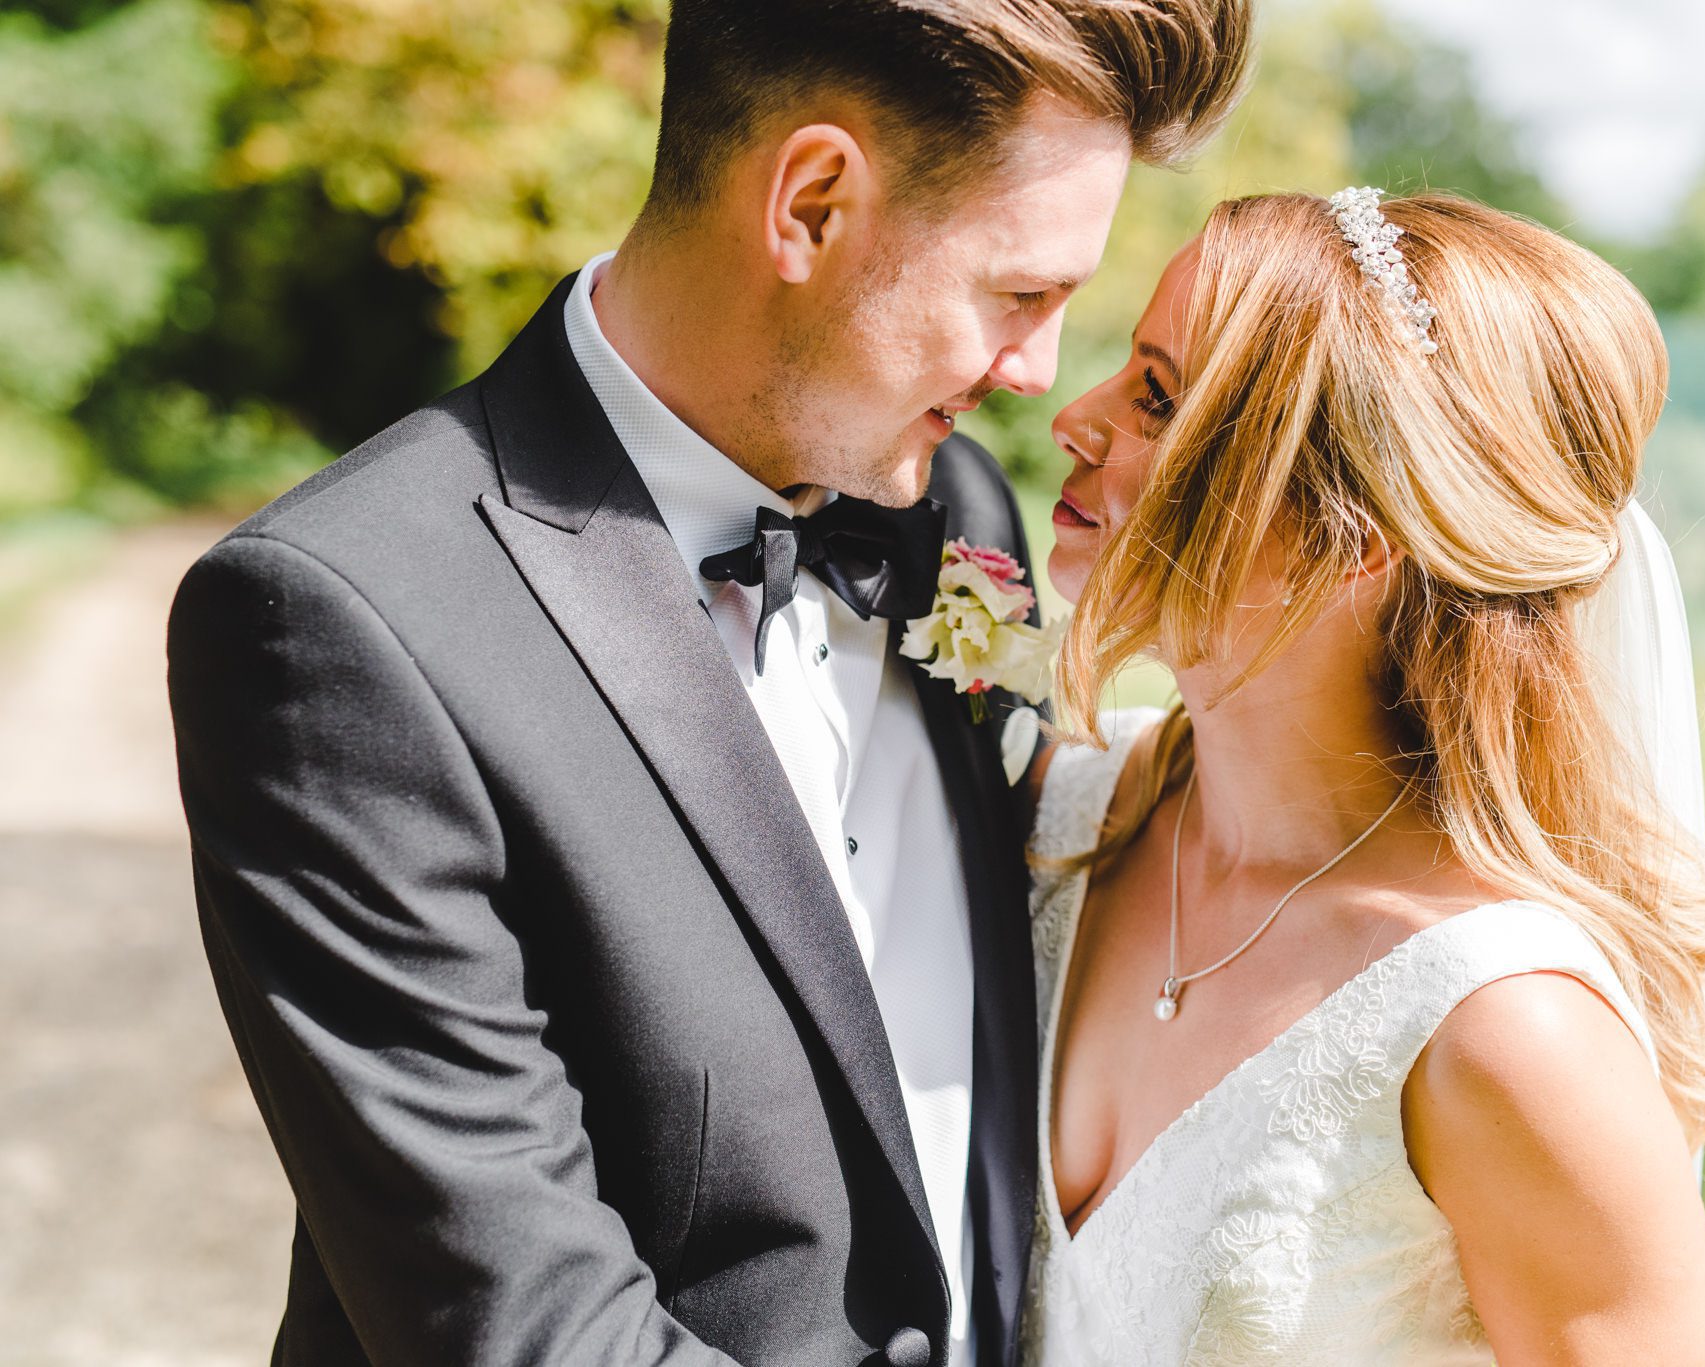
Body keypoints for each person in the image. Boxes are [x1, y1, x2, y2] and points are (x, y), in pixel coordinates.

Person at [164, 3, 1251, 1363]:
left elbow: (1037, 843)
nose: (1036, 375)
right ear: (809, 204)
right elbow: (527, 1328)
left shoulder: (954, 508)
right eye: (1018, 295)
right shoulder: (343, 618)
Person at [1023, 188, 1705, 1362]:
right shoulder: (1053, 808)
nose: (1074, 415)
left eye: (1159, 397)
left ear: (1352, 535)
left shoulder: (1506, 1029)